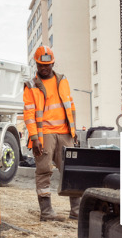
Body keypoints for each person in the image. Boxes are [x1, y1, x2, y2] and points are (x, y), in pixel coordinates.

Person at [23, 46, 81, 221]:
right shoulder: (31, 86)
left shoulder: (63, 81)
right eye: (41, 65)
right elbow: (29, 115)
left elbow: (70, 107)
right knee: (43, 172)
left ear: (53, 63)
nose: (44, 68)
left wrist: (74, 130)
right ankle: (47, 212)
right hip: (44, 135)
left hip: (65, 134)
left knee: (72, 171)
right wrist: (34, 138)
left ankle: (76, 211)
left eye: (47, 65)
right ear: (36, 64)